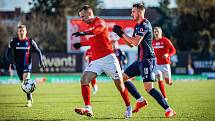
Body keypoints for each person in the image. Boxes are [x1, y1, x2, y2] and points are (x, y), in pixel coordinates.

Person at [113, 3, 176, 118]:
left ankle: (169, 109)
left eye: (133, 11)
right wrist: (120, 35)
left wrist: (122, 33)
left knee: (149, 88)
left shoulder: (145, 24)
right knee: (123, 78)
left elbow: (135, 42)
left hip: (148, 60)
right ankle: (140, 100)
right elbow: (131, 44)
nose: (131, 14)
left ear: (140, 12)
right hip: (141, 60)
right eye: (132, 11)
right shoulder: (137, 26)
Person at [72, 5, 132, 118]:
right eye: (80, 17)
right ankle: (88, 108)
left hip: (109, 58)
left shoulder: (100, 22)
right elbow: (93, 41)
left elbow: (97, 31)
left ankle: (129, 107)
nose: (82, 19)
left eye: (83, 16)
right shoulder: (89, 26)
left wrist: (84, 34)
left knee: (120, 86)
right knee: (84, 79)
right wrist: (81, 44)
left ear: (90, 13)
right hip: (96, 61)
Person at [5, 24, 45, 107]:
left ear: (26, 31)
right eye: (20, 31)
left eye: (23, 30)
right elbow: (7, 53)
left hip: (27, 64)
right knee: (23, 83)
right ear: (18, 32)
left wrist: (41, 61)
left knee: (26, 81)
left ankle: (29, 100)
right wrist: (11, 62)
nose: (22, 32)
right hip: (18, 65)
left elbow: (38, 51)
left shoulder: (30, 41)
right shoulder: (14, 41)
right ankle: (30, 95)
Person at [152, 26, 176, 100]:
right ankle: (164, 97)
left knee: (168, 82)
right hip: (157, 64)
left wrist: (168, 54)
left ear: (161, 33)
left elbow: (173, 50)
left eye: (157, 31)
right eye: (154, 31)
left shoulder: (165, 40)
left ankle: (170, 81)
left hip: (165, 64)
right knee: (159, 76)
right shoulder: (152, 42)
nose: (156, 33)